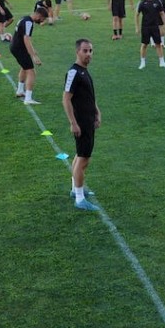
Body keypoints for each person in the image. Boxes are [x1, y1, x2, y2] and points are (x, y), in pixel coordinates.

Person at [63, 39, 102, 212]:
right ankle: (79, 198)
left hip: (87, 119)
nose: (88, 54)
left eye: (91, 51)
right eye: (85, 51)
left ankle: (75, 189)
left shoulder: (84, 72)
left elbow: (88, 96)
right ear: (77, 51)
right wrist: (73, 123)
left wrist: (96, 111)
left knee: (81, 156)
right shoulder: (74, 72)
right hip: (81, 122)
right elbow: (66, 99)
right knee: (84, 158)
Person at [11, 6, 49, 105]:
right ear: (39, 15)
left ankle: (20, 91)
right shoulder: (29, 22)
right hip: (19, 49)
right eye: (42, 19)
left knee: (24, 68)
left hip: (15, 47)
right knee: (31, 72)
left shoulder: (25, 18)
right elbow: (26, 39)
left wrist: (33, 50)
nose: (41, 21)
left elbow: (25, 39)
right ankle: (28, 98)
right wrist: (34, 56)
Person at [135, 0, 165, 69]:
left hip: (155, 27)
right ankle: (142, 63)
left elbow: (162, 14)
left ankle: (162, 62)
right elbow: (137, 15)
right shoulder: (142, 2)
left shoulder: (158, 2)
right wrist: (137, 27)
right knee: (144, 45)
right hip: (145, 27)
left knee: (158, 44)